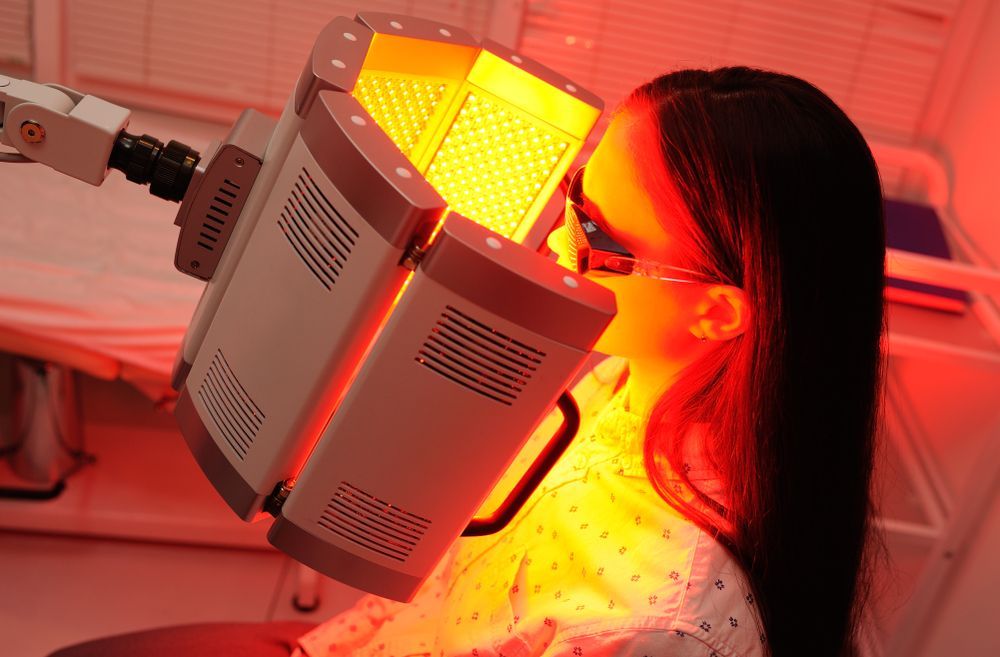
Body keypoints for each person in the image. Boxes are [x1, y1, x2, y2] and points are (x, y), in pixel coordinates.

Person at [49, 66, 885, 657]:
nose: (556, 238)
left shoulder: (660, 624)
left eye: (595, 233)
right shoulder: (627, 377)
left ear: (717, 312)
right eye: (574, 194)